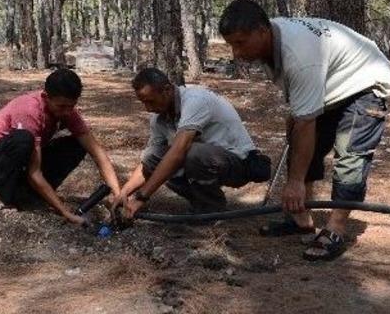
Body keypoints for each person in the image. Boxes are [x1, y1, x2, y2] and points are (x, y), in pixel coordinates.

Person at [219, 0, 390, 261]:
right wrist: (296, 123)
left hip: (364, 83)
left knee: (350, 158)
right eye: (231, 44)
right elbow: (300, 115)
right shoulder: (272, 43)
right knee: (301, 147)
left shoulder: (299, 56)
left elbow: (306, 121)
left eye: (241, 43)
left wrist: (294, 183)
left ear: (262, 31)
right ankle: (300, 219)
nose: (236, 53)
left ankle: (335, 229)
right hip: (332, 85)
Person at [0, 68, 121, 225]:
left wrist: (119, 194)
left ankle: (29, 195)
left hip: (16, 167)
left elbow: (97, 153)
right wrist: (66, 213)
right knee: (23, 139)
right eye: (62, 106)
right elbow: (35, 172)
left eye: (71, 106)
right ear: (46, 97)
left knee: (76, 145)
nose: (67, 112)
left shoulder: (68, 112)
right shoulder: (29, 109)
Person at [113, 68, 271, 220]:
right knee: (152, 155)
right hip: (208, 162)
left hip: (239, 163)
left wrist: (141, 197)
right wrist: (125, 192)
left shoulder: (196, 101)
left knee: (191, 152)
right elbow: (148, 164)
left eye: (151, 101)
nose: (148, 109)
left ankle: (211, 208)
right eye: (143, 103)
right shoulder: (158, 117)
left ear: (167, 90)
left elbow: (178, 152)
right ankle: (202, 202)